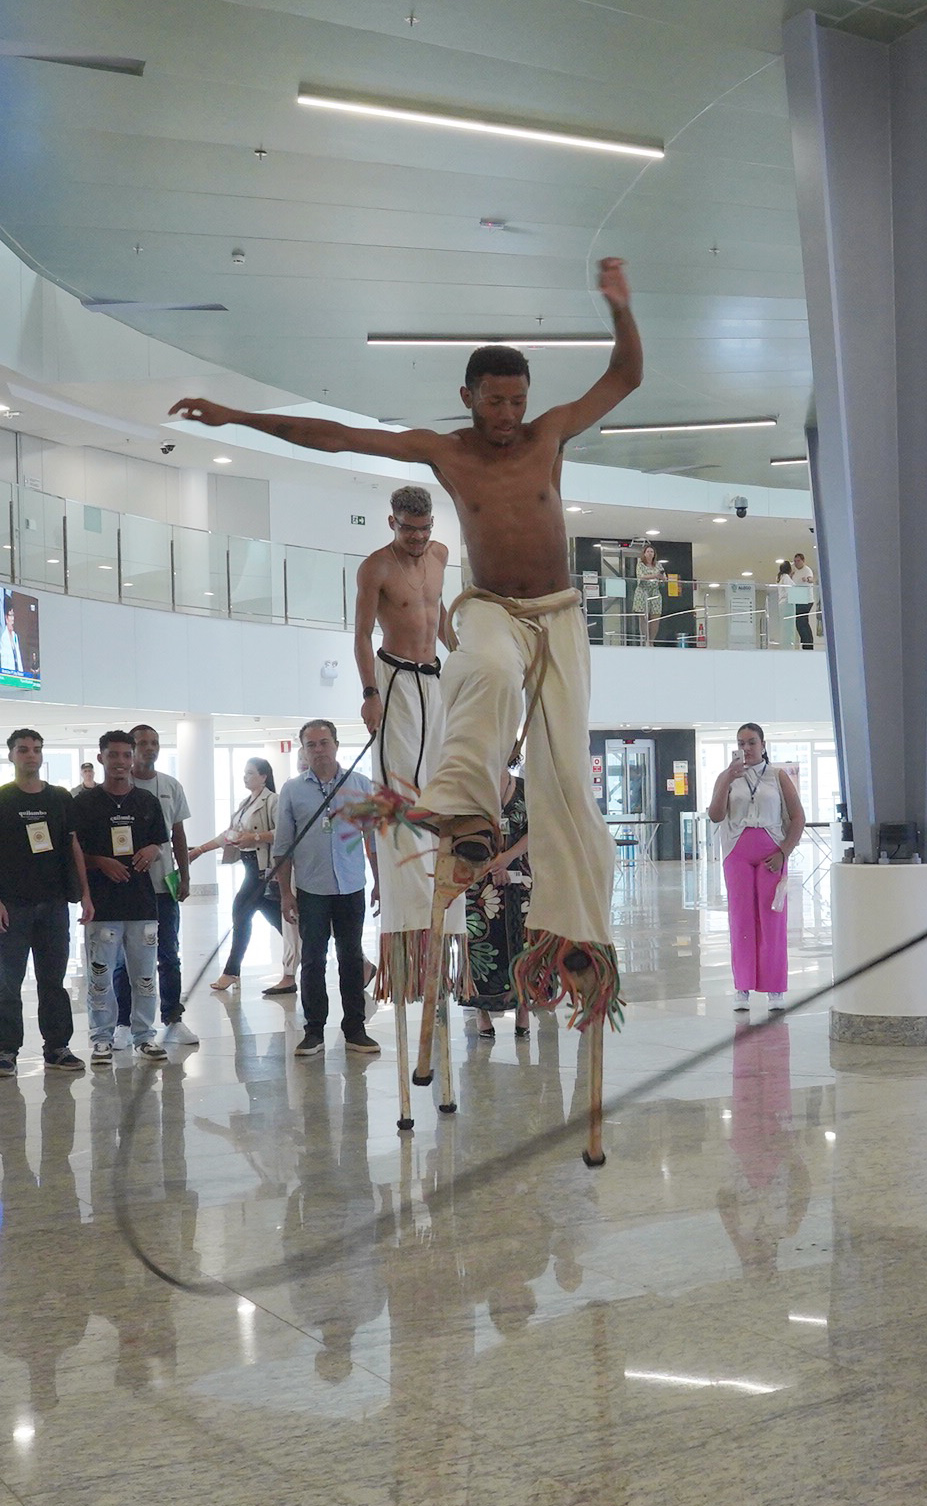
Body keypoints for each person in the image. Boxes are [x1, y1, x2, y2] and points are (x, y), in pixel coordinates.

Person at [171, 257, 639, 1063]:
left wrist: (621, 308)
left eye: (517, 401)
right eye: (493, 402)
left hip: (560, 614)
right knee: (484, 671)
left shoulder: (550, 433)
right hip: (489, 609)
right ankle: (464, 815)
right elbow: (339, 435)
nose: (507, 416)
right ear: (467, 397)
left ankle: (577, 940)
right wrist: (236, 416)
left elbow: (625, 376)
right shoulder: (444, 453)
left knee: (567, 779)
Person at [356, 486, 464, 1016]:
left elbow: (438, 612)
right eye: (408, 529)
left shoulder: (440, 555)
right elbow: (361, 636)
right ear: (392, 522)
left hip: (434, 677)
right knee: (401, 790)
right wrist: (369, 693)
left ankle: (442, 894)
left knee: (441, 786)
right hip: (395, 678)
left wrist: (461, 655)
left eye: (424, 530)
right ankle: (403, 903)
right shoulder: (376, 567)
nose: (418, 539)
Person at [271, 719, 380, 1059]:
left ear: (336, 745)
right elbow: (282, 846)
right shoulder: (292, 790)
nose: (318, 750)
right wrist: (286, 894)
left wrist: (379, 882)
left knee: (351, 957)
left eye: (324, 742)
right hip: (311, 888)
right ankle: (313, 1031)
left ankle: (355, 1029)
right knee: (313, 960)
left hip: (351, 886)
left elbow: (372, 839)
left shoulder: (359, 784)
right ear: (304, 750)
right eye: (311, 745)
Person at [0, 729, 83, 1076]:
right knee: (9, 982)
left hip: (53, 903)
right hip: (13, 904)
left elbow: (73, 846)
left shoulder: (60, 798)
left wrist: (84, 893)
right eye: (23, 750)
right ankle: (5, 1050)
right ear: (11, 755)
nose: (31, 755)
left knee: (53, 980)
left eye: (37, 749)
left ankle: (57, 1047)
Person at [76, 729, 172, 1064]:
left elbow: (160, 844)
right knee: (100, 976)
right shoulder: (84, 803)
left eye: (126, 755)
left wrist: (152, 850)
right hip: (102, 906)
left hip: (142, 904)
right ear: (101, 758)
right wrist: (100, 862)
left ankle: (144, 1036)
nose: (120, 762)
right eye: (113, 755)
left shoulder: (146, 801)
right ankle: (101, 1038)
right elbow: (74, 854)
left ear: (133, 759)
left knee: (144, 977)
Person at [708, 723, 804, 1014]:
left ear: (763, 744)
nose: (746, 748)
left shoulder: (777, 776)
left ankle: (775, 989)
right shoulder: (727, 776)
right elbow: (715, 815)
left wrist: (784, 852)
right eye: (741, 743)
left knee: (772, 918)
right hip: (736, 853)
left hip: (771, 853)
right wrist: (727, 779)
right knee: (741, 919)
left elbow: (798, 817)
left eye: (751, 742)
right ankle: (742, 988)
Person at [114, 724, 197, 1048]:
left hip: (163, 887)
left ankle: (173, 1018)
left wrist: (184, 875)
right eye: (142, 743)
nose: (150, 748)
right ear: (132, 749)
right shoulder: (121, 787)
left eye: (155, 743)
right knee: (124, 959)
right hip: (128, 886)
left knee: (168, 955)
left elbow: (178, 834)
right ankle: (123, 1023)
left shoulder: (170, 786)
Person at [190, 757, 282, 991]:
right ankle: (233, 972)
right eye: (244, 773)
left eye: (250, 773)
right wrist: (200, 850)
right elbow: (229, 834)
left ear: (263, 776)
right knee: (276, 922)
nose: (245, 777)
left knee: (241, 913)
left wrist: (255, 837)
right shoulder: (245, 803)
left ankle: (231, 972)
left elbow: (283, 831)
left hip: (264, 871)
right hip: (250, 867)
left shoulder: (273, 800)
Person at [458, 773, 533, 1038]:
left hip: (520, 875)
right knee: (480, 942)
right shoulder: (471, 788)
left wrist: (508, 857)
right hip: (479, 878)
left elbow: (537, 829)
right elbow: (461, 832)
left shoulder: (524, 787)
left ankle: (523, 1006)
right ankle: (482, 1010)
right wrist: (492, 864)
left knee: (522, 942)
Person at [787, 554, 819, 649]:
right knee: (800, 622)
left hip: (805, 598)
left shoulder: (807, 570)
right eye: (795, 561)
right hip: (797, 597)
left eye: (798, 561)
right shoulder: (795, 571)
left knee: (802, 621)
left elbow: (811, 579)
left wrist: (807, 579)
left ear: (803, 561)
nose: (796, 563)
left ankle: (808, 644)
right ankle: (806, 643)